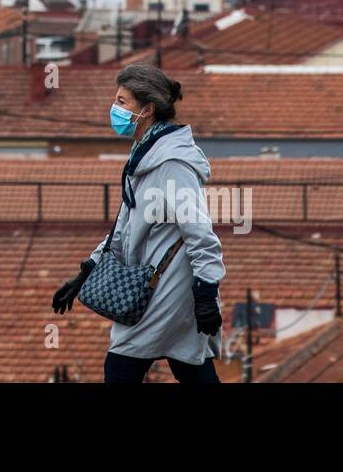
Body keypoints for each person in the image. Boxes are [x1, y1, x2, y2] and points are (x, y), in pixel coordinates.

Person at [52, 63, 225, 384]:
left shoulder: (172, 163)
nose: (114, 109)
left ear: (146, 109)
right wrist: (86, 271)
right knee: (189, 365)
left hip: (168, 288)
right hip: (155, 285)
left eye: (122, 102)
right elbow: (125, 226)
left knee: (121, 365)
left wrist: (206, 289)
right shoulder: (145, 155)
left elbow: (200, 231)